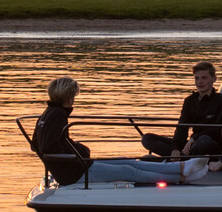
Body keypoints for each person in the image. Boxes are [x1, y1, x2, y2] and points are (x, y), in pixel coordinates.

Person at [32, 77, 209, 184]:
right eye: (74, 95)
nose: (74, 99)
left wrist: (76, 149)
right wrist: (77, 153)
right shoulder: (57, 115)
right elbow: (49, 147)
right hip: (74, 173)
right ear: (68, 96)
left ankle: (181, 167)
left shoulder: (47, 114)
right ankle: (180, 178)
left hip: (78, 166)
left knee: (128, 161)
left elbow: (37, 145)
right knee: (128, 171)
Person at [168, 61, 222, 158]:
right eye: (197, 78)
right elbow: (182, 127)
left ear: (214, 79)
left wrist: (194, 139)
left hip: (211, 143)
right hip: (193, 143)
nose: (200, 81)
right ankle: (178, 155)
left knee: (204, 141)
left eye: (204, 78)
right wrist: (175, 148)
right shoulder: (190, 101)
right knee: (148, 139)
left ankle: (184, 157)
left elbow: (218, 129)